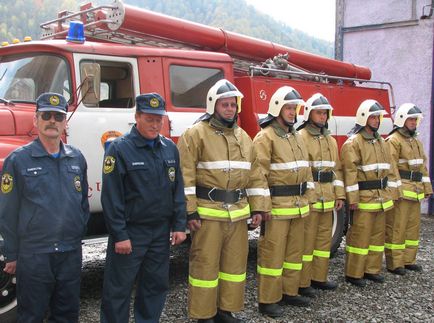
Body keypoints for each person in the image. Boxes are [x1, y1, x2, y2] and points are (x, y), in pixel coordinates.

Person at [177, 79, 269, 323]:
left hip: (238, 214)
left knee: (234, 267)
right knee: (205, 267)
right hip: (208, 214)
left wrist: (258, 208)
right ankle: (204, 314)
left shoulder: (244, 137)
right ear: (213, 105)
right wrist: (190, 212)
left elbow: (256, 175)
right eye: (225, 104)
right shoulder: (195, 134)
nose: (230, 109)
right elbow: (185, 176)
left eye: (233, 105)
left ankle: (225, 311)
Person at [0, 93, 89, 322]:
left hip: (69, 253)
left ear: (65, 122)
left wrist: (76, 234)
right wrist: (11, 253)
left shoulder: (76, 158)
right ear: (36, 120)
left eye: (58, 116)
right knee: (31, 315)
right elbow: (7, 211)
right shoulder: (18, 160)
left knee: (67, 314)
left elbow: (82, 204)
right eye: (46, 115)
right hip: (34, 254)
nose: (52, 121)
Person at [100, 93, 187, 323]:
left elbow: (177, 189)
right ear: (137, 117)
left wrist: (179, 224)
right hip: (131, 233)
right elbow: (111, 197)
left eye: (159, 119)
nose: (155, 124)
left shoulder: (169, 148)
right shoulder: (119, 149)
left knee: (155, 287)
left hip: (160, 233)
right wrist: (119, 235)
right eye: (149, 119)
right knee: (118, 290)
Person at [253, 86, 316, 318]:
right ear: (277, 108)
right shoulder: (265, 137)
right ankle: (267, 300)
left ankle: (289, 292)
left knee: (293, 253)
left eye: (294, 108)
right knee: (272, 255)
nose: (292, 112)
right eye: (288, 108)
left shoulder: (296, 136)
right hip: (277, 208)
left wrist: (308, 199)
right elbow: (259, 175)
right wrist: (263, 206)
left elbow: (306, 171)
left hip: (298, 206)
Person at [341, 99, 400, 287]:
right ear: (364, 117)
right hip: (365, 198)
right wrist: (353, 199)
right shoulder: (353, 143)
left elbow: (389, 170)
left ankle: (372, 270)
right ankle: (354, 273)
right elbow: (349, 173)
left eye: (378, 117)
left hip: (381, 198)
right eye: (373, 117)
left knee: (376, 237)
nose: (376, 120)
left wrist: (391, 194)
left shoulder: (381, 142)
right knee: (360, 236)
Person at [297, 93, 345, 297]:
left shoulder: (330, 140)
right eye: (319, 112)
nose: (323, 116)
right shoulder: (301, 137)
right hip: (312, 198)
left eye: (325, 113)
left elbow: (338, 170)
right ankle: (303, 282)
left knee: (323, 243)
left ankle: (319, 277)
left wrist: (340, 195)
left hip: (328, 199)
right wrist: (306, 197)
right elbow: (301, 170)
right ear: (309, 114)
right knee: (306, 243)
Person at [385, 103, 432, 275]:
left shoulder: (416, 142)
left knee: (412, 228)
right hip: (403, 191)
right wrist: (396, 191)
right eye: (411, 119)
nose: (414, 122)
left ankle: (409, 260)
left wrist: (427, 188)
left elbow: (422, 167)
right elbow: (391, 168)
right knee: (397, 227)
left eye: (416, 119)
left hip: (416, 191)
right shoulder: (394, 141)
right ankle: (395, 263)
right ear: (402, 119)